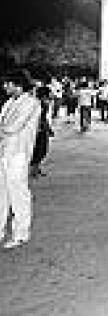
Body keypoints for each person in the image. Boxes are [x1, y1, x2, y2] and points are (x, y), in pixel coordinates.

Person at [0, 70, 42, 249]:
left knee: (18, 193)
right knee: (2, 192)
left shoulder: (31, 103)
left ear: (17, 84)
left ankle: (21, 233)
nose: (5, 87)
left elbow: (13, 127)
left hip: (19, 153)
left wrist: (2, 129)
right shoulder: (9, 103)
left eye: (7, 83)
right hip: (4, 152)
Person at [30, 85, 54, 179]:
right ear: (44, 95)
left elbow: (44, 118)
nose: (51, 94)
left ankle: (36, 168)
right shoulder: (38, 104)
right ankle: (34, 170)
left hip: (43, 129)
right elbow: (38, 118)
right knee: (39, 150)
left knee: (42, 150)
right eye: (50, 93)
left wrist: (49, 128)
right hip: (38, 130)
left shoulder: (44, 103)